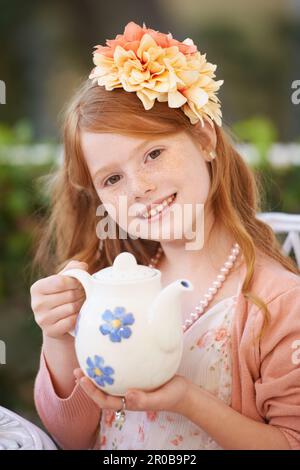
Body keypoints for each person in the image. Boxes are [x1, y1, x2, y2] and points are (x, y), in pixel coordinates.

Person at [31, 21, 300, 450]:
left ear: (204, 138)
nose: (139, 188)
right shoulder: (108, 288)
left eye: (153, 153)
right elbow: (72, 437)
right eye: (113, 178)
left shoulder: (277, 303)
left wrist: (188, 401)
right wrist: (59, 336)